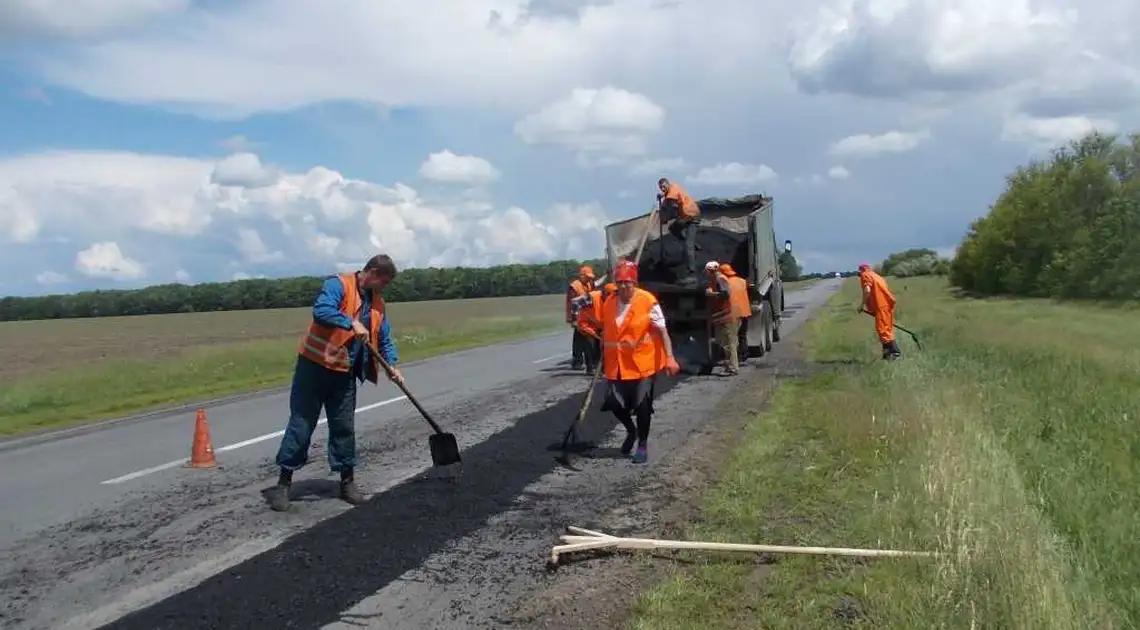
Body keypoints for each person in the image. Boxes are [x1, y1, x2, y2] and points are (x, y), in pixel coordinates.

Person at [266, 254, 405, 512]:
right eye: (383, 282)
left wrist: (393, 366)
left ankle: (347, 483)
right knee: (301, 426)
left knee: (344, 428)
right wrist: (350, 322)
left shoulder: (377, 304)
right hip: (314, 369)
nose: (383, 288)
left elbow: (384, 337)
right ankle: (283, 486)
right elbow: (321, 311)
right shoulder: (338, 285)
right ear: (372, 272)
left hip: (344, 374)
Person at [596, 260, 681, 463]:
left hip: (643, 363)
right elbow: (607, 332)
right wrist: (600, 357)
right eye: (620, 281)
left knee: (642, 406)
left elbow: (662, 332)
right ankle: (631, 431)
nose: (624, 286)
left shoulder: (648, 301)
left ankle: (642, 445)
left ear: (635, 282)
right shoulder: (609, 303)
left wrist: (670, 357)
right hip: (617, 364)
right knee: (614, 403)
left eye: (628, 281)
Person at [704, 261, 750, 375]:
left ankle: (733, 367)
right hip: (727, 315)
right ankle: (731, 364)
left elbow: (726, 294)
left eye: (707, 272)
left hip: (729, 315)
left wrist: (711, 294)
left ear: (711, 271)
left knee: (730, 342)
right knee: (726, 341)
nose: (706, 274)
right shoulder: (718, 279)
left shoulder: (721, 279)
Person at [656, 177, 701, 285]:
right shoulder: (672, 189)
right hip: (685, 216)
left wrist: (665, 219)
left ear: (668, 184)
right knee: (674, 228)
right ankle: (693, 244)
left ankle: (692, 274)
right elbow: (669, 198)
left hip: (692, 216)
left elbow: (672, 209)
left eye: (663, 186)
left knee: (687, 246)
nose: (662, 189)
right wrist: (663, 196)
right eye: (661, 188)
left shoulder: (672, 192)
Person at [858, 262, 901, 360]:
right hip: (887, 306)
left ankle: (896, 353)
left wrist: (861, 305)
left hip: (881, 306)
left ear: (861, 270)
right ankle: (886, 355)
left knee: (883, 331)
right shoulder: (876, 276)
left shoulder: (866, 275)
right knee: (886, 329)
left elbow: (867, 290)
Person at [575, 282, 617, 374]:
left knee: (604, 347)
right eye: (610, 295)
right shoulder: (591, 297)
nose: (612, 297)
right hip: (587, 325)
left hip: (600, 326)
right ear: (605, 293)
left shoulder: (613, 301)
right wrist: (574, 318)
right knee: (591, 345)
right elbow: (575, 304)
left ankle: (602, 369)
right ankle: (590, 368)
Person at [718, 263, 751, 364]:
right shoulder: (742, 281)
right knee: (742, 334)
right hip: (745, 310)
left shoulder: (725, 283)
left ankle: (734, 359)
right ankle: (744, 354)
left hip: (734, 311)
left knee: (732, 337)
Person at [565, 265, 597, 369]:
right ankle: (577, 361)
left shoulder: (588, 284)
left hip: (584, 315)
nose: (589, 279)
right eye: (587, 276)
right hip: (576, 315)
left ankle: (578, 361)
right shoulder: (574, 286)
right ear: (581, 275)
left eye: (590, 277)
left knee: (580, 338)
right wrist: (574, 319)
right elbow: (572, 303)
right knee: (580, 340)